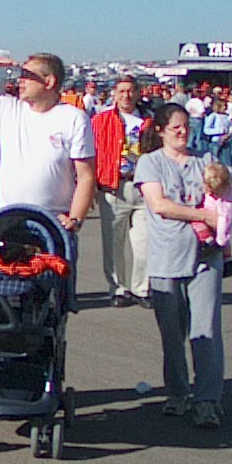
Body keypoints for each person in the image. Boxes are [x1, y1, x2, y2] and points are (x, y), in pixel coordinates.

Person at [135, 103, 232, 429]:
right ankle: (178, 393)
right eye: (175, 127)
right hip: (166, 258)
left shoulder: (205, 160)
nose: (182, 132)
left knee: (206, 330)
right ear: (161, 130)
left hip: (206, 257)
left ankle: (207, 400)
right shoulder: (150, 163)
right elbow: (159, 205)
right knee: (172, 333)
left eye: (186, 126)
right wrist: (205, 215)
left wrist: (225, 211)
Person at [0, 53, 95, 234]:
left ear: (49, 81)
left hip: (53, 220)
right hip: (9, 217)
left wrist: (75, 219)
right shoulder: (6, 109)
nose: (21, 81)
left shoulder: (74, 118)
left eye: (27, 76)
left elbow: (86, 176)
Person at [92, 75, 152, 307]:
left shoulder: (150, 120)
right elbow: (92, 152)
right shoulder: (101, 120)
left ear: (138, 93)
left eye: (130, 91)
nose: (126, 95)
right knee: (113, 244)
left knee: (144, 243)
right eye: (122, 91)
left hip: (144, 187)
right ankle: (118, 288)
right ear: (114, 94)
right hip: (114, 186)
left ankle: (142, 288)